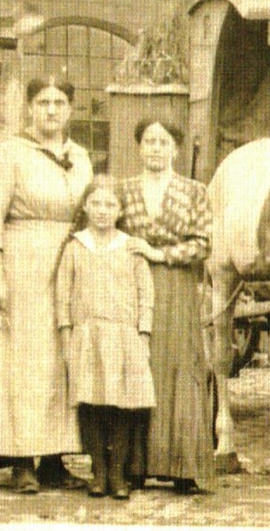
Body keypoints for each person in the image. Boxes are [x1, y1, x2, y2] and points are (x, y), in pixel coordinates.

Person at [0, 77, 92, 493]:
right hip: (21, 266)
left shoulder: (80, 157)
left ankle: (55, 459)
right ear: (30, 109)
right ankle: (21, 459)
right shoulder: (9, 153)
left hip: (68, 266)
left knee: (60, 362)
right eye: (43, 102)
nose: (51, 110)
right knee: (20, 362)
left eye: (59, 102)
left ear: (70, 109)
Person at [115, 119, 217, 493]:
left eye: (163, 142)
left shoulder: (194, 191)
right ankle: (135, 465)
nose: (156, 148)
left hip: (177, 286)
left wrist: (160, 254)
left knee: (180, 366)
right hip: (133, 285)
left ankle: (183, 466)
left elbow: (203, 244)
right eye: (149, 141)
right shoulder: (123, 190)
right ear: (139, 147)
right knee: (139, 366)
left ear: (175, 148)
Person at [57, 177, 157, 500]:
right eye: (96, 203)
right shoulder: (75, 247)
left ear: (120, 210)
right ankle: (98, 472)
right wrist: (66, 332)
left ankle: (117, 473)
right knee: (90, 404)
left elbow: (145, 293)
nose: (102, 211)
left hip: (124, 335)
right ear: (85, 207)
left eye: (110, 204)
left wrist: (143, 332)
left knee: (122, 404)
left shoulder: (131, 247)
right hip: (87, 335)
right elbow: (62, 294)